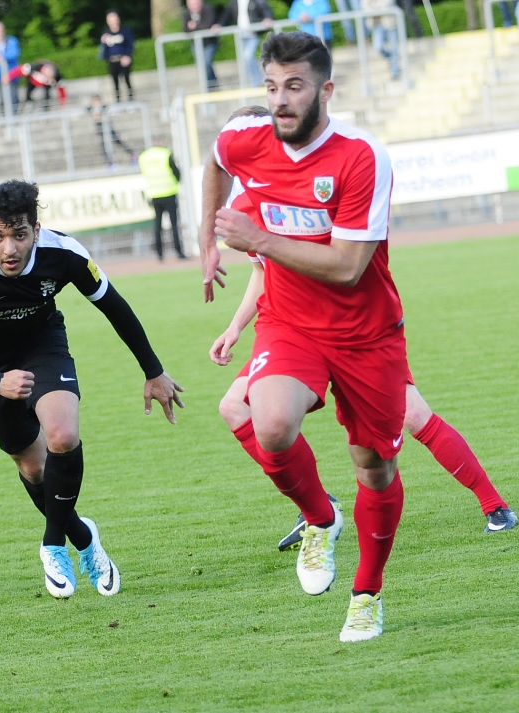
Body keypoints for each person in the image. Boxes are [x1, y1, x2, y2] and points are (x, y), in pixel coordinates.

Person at [206, 107, 516, 552]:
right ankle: (317, 507)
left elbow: (350, 259)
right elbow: (263, 271)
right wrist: (235, 327)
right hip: (293, 330)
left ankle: (495, 506)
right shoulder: (242, 207)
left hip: (355, 328)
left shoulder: (311, 180)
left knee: (412, 415)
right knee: (235, 406)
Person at [199, 32, 408, 642]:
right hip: (290, 323)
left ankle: (367, 593)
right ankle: (321, 518)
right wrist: (208, 240)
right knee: (268, 423)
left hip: (366, 335)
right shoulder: (247, 139)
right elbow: (214, 159)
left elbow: (347, 266)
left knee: (375, 467)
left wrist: (257, 240)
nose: (280, 100)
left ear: (325, 90)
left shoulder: (361, 156)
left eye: (294, 86)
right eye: (271, 86)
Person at [0, 179, 183, 599]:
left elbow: (114, 306)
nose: (9, 248)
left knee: (63, 436)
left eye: (19, 234)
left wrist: (153, 371)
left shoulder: (64, 253)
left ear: (36, 229)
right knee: (34, 469)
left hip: (41, 346)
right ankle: (84, 538)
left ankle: (53, 544)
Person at [138, 139, 186, 261]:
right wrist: (176, 183)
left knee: (157, 225)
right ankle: (179, 251)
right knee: (174, 224)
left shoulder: (144, 157)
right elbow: (176, 172)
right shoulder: (166, 154)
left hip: (155, 194)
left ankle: (159, 253)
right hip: (169, 192)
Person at [218, 0, 275, 87]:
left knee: (247, 56)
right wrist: (219, 25)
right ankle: (254, 81)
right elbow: (226, 16)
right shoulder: (233, 3)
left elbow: (265, 10)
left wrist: (268, 18)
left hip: (253, 34)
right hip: (240, 35)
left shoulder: (256, 1)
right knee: (244, 60)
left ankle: (258, 81)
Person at [182, 0, 221, 89]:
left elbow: (208, 25)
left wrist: (194, 26)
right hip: (196, 44)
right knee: (202, 65)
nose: (195, 6)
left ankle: (210, 87)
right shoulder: (186, 13)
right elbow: (185, 29)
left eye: (197, 3)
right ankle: (213, 83)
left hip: (209, 42)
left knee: (206, 63)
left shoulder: (208, 9)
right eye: (193, 4)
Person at [89, 95, 136, 167]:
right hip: (101, 132)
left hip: (109, 131)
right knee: (103, 148)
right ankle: (110, 163)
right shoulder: (92, 109)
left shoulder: (104, 107)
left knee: (118, 142)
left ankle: (132, 154)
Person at [100, 10, 135, 102]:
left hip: (123, 59)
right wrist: (103, 42)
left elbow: (130, 45)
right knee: (115, 82)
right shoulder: (106, 33)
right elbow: (104, 50)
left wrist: (127, 56)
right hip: (112, 61)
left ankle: (131, 100)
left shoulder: (124, 31)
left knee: (127, 80)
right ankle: (118, 101)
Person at [362, 0, 401, 79]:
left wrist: (373, 7)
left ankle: (395, 72)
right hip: (377, 24)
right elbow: (364, 8)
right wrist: (378, 7)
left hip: (390, 22)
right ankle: (392, 58)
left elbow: (388, 3)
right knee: (378, 47)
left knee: (394, 48)